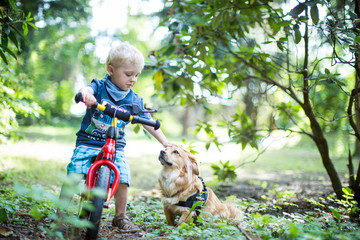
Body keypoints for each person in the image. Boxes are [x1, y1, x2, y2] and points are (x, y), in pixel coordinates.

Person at [64, 42, 173, 232]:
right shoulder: (99, 87)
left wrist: (164, 141)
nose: (133, 79)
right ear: (111, 70)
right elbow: (87, 89)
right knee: (76, 170)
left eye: (137, 75)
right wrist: (85, 95)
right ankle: (61, 210)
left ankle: (120, 216)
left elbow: (147, 120)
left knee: (122, 176)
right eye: (129, 74)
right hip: (88, 142)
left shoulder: (134, 100)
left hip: (116, 147)